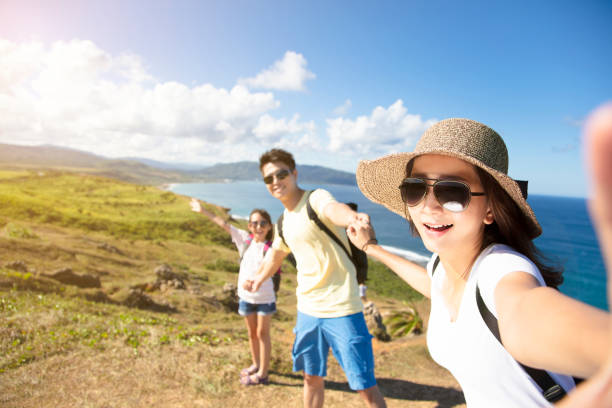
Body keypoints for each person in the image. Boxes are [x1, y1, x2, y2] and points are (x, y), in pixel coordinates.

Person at [346, 115, 611, 407]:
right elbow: (434, 286)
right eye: (415, 188)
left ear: (490, 210)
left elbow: (525, 311)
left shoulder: (501, 274)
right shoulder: (442, 265)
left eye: (452, 191)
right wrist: (371, 247)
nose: (429, 205)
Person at [244, 148, 387, 408]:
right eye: (269, 178)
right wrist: (257, 279)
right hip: (308, 310)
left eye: (281, 174)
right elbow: (275, 256)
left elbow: (334, 210)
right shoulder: (283, 222)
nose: (275, 181)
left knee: (365, 386)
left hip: (342, 308)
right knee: (311, 378)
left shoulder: (315, 199)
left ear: (294, 173)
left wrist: (352, 218)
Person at [190, 199, 276, 386]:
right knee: (252, 333)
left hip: (265, 297)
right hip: (246, 296)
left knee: (263, 333)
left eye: (262, 223)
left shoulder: (272, 247)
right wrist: (203, 210)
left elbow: (268, 268)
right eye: (254, 223)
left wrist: (254, 281)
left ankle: (263, 373)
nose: (258, 226)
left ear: (269, 226)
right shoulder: (244, 239)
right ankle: (256, 364)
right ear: (249, 225)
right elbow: (223, 224)